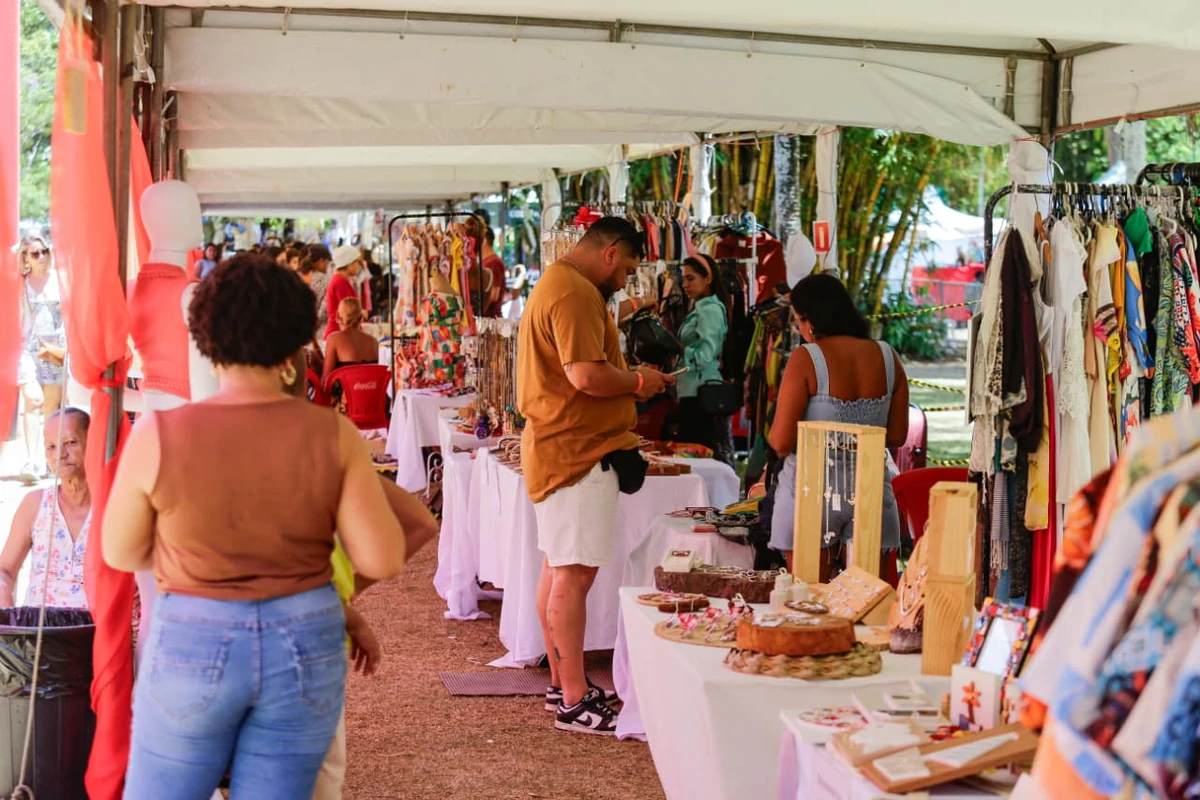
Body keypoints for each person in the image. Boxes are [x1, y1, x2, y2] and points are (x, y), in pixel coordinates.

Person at [103, 254, 407, 798]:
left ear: (203, 336)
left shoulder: (160, 433)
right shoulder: (330, 434)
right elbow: (381, 557)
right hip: (305, 638)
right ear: (297, 339)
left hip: (193, 631)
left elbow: (122, 550)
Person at [517, 216, 672, 735]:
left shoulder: (562, 284)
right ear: (610, 253)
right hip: (577, 451)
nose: (628, 277)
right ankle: (574, 699)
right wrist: (639, 381)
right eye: (628, 265)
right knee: (572, 575)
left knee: (560, 569)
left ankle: (565, 685)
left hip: (566, 448)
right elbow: (584, 375)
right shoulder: (575, 292)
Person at [766, 274, 909, 579]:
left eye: (797, 322)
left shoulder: (806, 358)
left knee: (810, 609)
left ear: (810, 320)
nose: (798, 330)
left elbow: (780, 442)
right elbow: (897, 436)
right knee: (870, 612)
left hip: (811, 493)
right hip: (870, 493)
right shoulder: (887, 357)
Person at [0, 408, 91, 608]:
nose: (60, 454)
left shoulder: (112, 506)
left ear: (92, 443)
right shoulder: (35, 504)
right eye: (51, 446)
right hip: (39, 633)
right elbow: (4, 571)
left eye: (70, 442)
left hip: (96, 633)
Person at [669, 254, 733, 464]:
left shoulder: (711, 311)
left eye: (691, 278)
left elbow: (706, 356)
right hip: (692, 391)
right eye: (683, 279)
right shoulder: (700, 308)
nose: (685, 284)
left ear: (708, 279)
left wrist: (679, 349)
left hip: (701, 394)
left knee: (698, 455)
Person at [17, 236, 66, 484]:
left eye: (44, 251)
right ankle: (31, 459)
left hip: (56, 349)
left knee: (51, 408)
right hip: (29, 348)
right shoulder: (21, 285)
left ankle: (49, 459)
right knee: (33, 399)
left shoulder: (60, 280)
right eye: (35, 253)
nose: (42, 257)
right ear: (25, 257)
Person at [323, 297, 380, 415]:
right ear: (361, 318)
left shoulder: (334, 339)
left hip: (346, 411)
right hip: (373, 408)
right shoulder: (373, 342)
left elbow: (325, 382)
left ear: (337, 317)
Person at [324, 245, 364, 341]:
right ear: (349, 263)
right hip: (338, 334)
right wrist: (362, 312)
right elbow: (349, 312)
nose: (358, 266)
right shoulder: (340, 282)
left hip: (340, 334)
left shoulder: (341, 280)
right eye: (357, 262)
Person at [308, 243, 334, 335]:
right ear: (321, 261)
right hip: (320, 329)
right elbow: (324, 308)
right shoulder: (326, 280)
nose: (328, 265)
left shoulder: (304, 276)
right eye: (327, 261)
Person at [481, 225, 506, 317]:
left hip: (491, 320)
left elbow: (493, 295)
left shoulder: (494, 262)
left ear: (484, 241)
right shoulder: (484, 261)